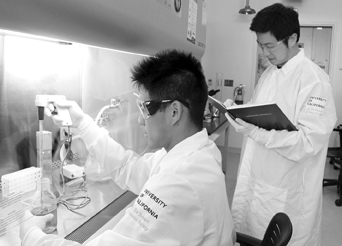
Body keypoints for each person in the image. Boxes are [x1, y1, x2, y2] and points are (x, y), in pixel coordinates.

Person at [20, 49, 236, 246]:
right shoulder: (197, 152)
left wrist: (32, 237)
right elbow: (129, 167)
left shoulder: (181, 183)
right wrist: (83, 124)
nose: (141, 121)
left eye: (145, 109)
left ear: (174, 112)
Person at [224, 3, 337, 246]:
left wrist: (258, 133)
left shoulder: (315, 81)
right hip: (256, 177)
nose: (264, 53)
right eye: (260, 45)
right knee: (249, 231)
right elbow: (258, 113)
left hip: (287, 190)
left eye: (270, 46)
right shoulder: (269, 73)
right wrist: (238, 113)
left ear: (292, 39)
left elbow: (308, 143)